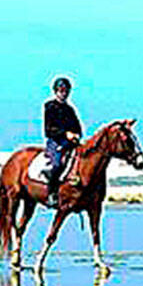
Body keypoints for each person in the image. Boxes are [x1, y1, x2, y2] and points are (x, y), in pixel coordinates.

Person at [42, 74, 82, 208]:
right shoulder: (50, 106)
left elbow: (78, 127)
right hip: (55, 141)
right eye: (61, 90)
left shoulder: (70, 109)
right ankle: (51, 194)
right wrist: (65, 134)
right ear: (56, 91)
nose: (64, 93)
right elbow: (48, 129)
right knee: (58, 164)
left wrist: (76, 135)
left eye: (66, 91)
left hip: (70, 143)